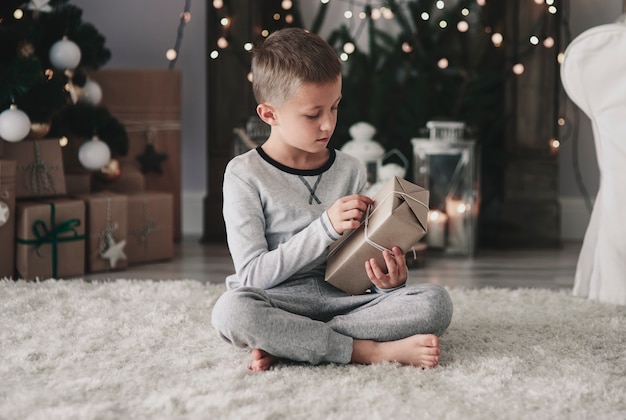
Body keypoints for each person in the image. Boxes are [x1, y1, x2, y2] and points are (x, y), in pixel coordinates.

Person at [211, 27, 453, 372]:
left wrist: (388, 282)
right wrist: (323, 227)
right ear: (269, 114)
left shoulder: (350, 169)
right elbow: (251, 277)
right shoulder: (243, 174)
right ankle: (363, 351)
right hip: (280, 301)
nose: (328, 125)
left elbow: (354, 263)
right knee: (231, 312)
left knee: (435, 303)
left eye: (335, 108)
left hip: (347, 301)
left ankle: (293, 343)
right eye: (313, 114)